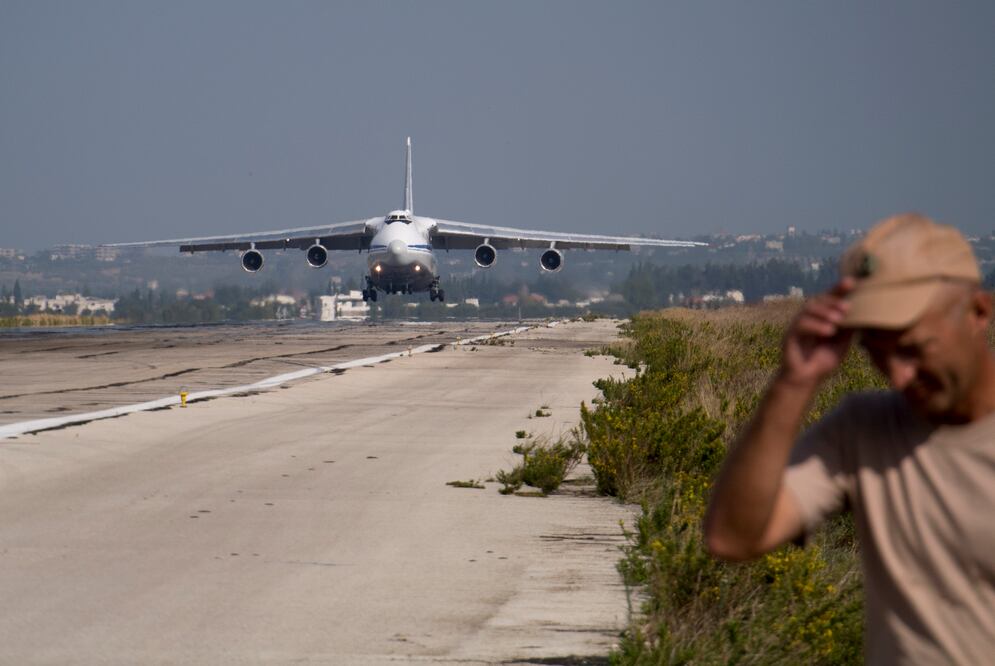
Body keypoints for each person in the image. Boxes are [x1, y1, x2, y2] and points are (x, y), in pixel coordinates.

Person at [703, 213, 995, 664]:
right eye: (877, 353)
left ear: (978, 313)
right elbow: (732, 538)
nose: (897, 377)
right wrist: (794, 383)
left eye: (913, 349)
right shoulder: (862, 432)